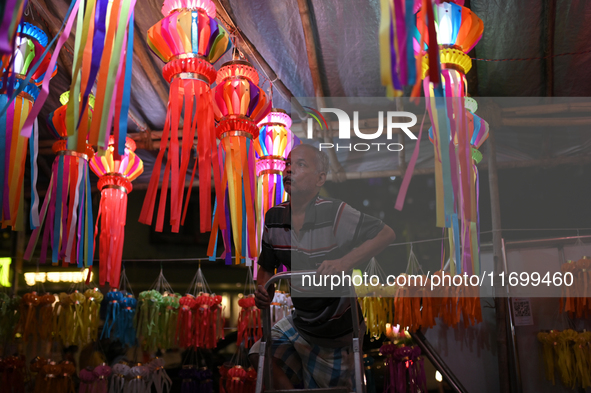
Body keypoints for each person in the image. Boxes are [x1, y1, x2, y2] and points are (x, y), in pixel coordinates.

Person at [253, 144, 396, 391]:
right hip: (300, 323)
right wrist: (261, 291)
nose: (289, 170)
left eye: (300, 165)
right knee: (260, 353)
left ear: (320, 178)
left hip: (337, 331)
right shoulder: (273, 217)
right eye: (288, 163)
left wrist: (344, 263)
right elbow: (266, 268)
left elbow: (386, 234)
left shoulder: (335, 212)